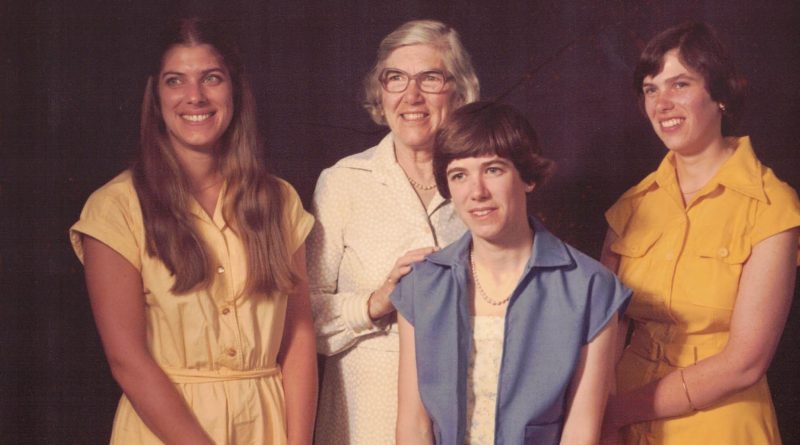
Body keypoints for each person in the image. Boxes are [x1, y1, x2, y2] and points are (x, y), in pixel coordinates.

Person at [69, 17, 317, 445]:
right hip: (167, 430)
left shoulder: (278, 200)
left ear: (234, 91)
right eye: (175, 81)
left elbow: (298, 338)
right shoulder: (115, 208)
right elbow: (126, 359)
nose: (195, 96)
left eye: (211, 78)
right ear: (156, 96)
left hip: (268, 425)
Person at [600, 22, 800, 444]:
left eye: (680, 84)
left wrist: (616, 412)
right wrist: (600, 420)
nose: (662, 103)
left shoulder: (773, 206)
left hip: (720, 423)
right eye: (651, 89)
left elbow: (745, 362)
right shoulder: (631, 206)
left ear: (721, 95)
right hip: (620, 425)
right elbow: (605, 332)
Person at [392, 101, 631, 444]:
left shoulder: (591, 288)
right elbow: (414, 425)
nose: (477, 192)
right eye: (459, 175)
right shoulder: (422, 285)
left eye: (493, 170)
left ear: (528, 177)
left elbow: (581, 431)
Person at [307, 19, 480, 444]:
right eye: (396, 79)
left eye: (431, 78)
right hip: (365, 426)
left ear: (459, 91)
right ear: (380, 94)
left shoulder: (482, 185)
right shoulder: (343, 182)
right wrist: (374, 302)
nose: (411, 96)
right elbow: (298, 320)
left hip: (468, 421)